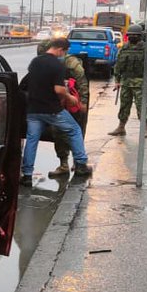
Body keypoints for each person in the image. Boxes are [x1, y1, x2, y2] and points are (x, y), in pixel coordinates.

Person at [21, 38, 92, 184]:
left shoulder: (35, 62)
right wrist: (69, 97)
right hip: (52, 110)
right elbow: (58, 90)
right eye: (64, 51)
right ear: (61, 49)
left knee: (32, 140)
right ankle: (81, 164)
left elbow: (24, 85)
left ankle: (27, 175)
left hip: (33, 110)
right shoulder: (57, 65)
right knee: (75, 130)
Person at [43, 41, 89, 177]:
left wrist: (84, 103)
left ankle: (79, 163)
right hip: (58, 104)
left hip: (74, 104)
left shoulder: (72, 64)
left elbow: (82, 83)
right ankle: (64, 165)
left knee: (76, 132)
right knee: (58, 133)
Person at [108, 24, 147, 136]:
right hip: (126, 82)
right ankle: (121, 127)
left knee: (141, 106)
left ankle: (144, 129)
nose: (132, 37)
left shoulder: (146, 48)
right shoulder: (124, 48)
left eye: (135, 35)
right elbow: (118, 64)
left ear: (140, 36)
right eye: (130, 35)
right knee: (124, 106)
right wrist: (117, 80)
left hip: (140, 83)